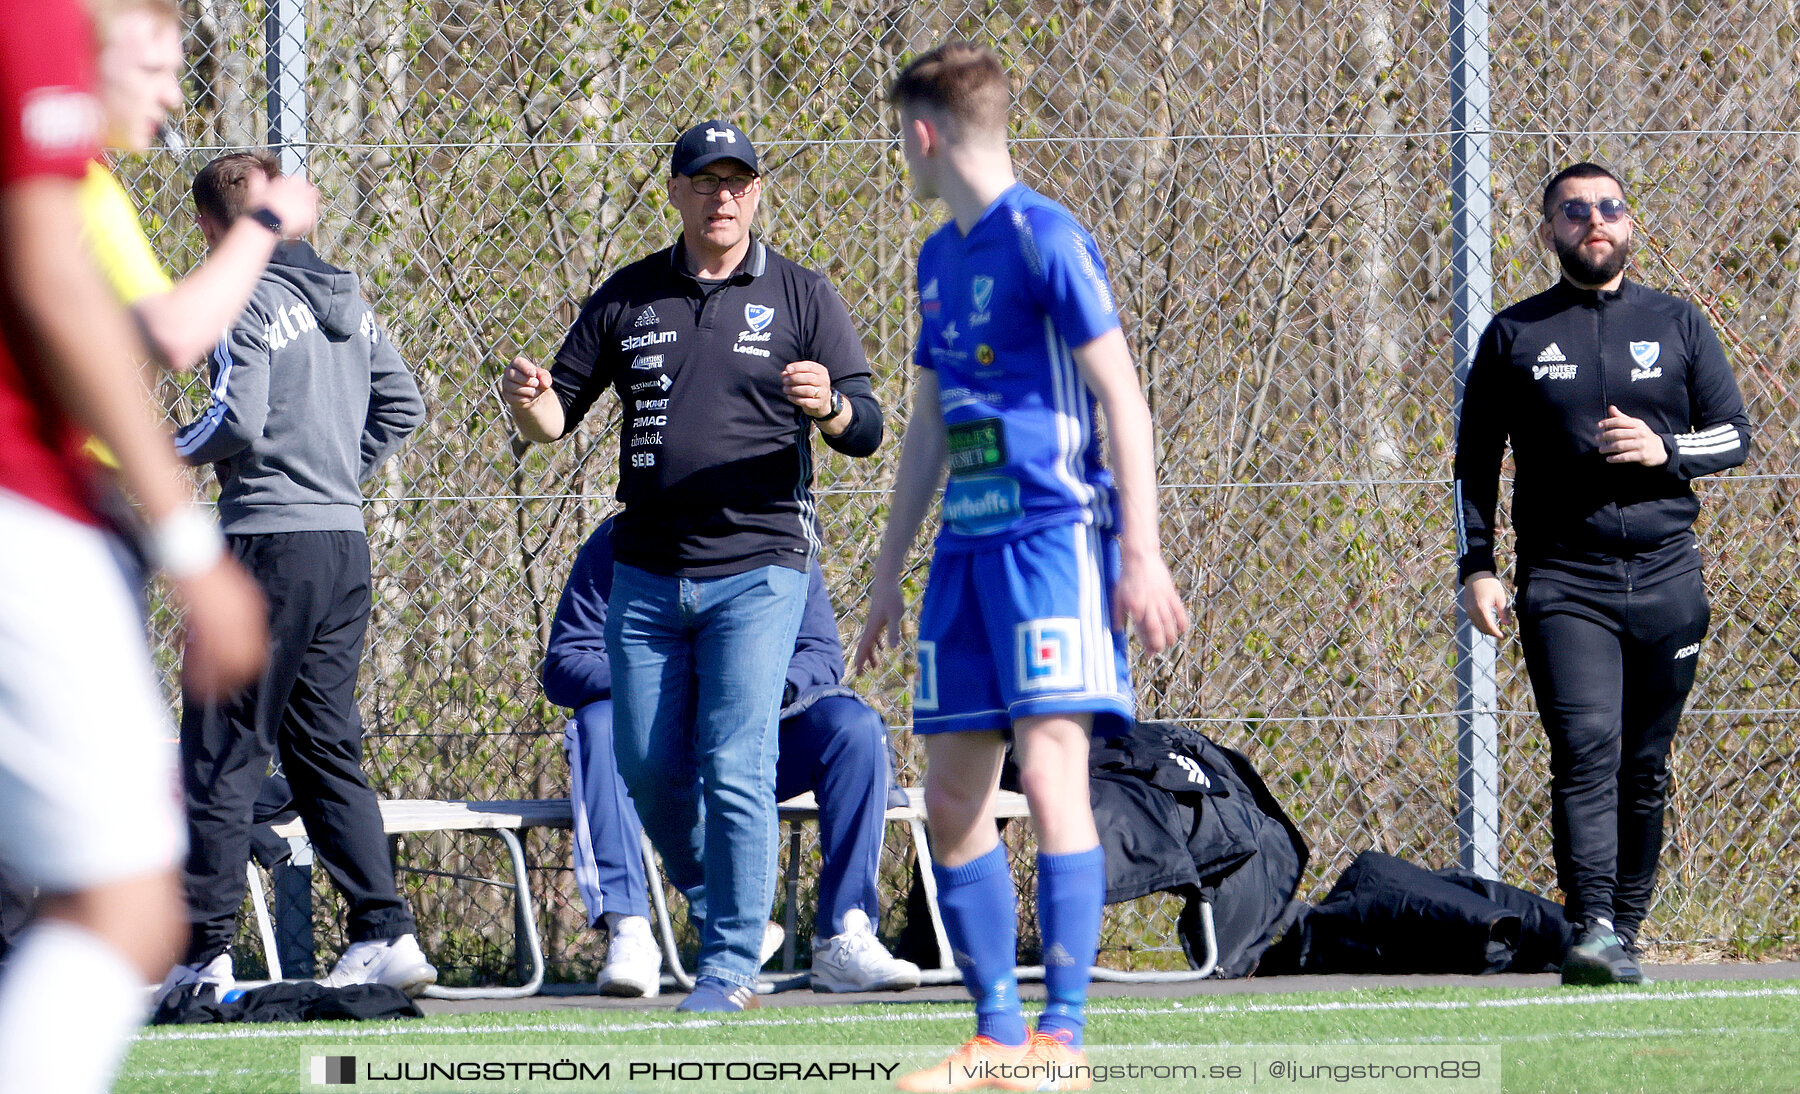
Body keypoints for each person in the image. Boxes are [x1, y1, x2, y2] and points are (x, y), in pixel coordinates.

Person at [857, 41, 1189, 1092]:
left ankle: (1065, 1040)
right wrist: (883, 575)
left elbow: (1123, 400)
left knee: (1049, 775)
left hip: (1054, 541)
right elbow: (925, 431)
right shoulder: (935, 257)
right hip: (965, 550)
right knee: (949, 798)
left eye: (898, 140)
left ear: (923, 133)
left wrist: (1139, 550)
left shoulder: (1048, 238)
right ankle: (996, 1036)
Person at [502, 119, 884, 1011]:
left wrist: (830, 406)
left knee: (735, 755)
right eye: (705, 182)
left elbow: (867, 428)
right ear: (674, 192)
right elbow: (555, 419)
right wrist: (527, 406)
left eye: (738, 182)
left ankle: (726, 971)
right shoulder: (629, 297)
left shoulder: (801, 295)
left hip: (760, 563)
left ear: (756, 191)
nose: (723, 197)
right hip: (644, 568)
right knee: (643, 763)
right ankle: (734, 912)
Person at [0, 0, 268, 1088]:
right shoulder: (35, 20)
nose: (173, 92)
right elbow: (88, 303)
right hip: (26, 500)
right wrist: (189, 544)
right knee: (127, 902)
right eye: (155, 57)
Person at [1454, 161, 1750, 987]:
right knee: (1587, 748)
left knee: (1645, 762)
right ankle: (1592, 926)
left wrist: (1667, 451)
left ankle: (1628, 926)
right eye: (1574, 210)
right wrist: (1477, 567)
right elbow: (1474, 464)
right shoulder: (1516, 334)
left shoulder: (1679, 323)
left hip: (1667, 577)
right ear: (1549, 228)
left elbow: (1736, 434)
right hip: (1563, 580)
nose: (1595, 220)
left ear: (1629, 224)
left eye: (1609, 207)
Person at [159, 151, 433, 1002]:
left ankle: (202, 954)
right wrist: (333, 473)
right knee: (322, 746)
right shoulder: (350, 301)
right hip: (341, 545)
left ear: (211, 228)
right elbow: (406, 403)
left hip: (267, 546)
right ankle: (383, 930)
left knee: (219, 746)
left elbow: (235, 418)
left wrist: (161, 453)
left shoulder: (236, 295)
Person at [543, 516, 921, 997]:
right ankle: (630, 930)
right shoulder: (621, 541)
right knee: (596, 725)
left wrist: (753, 690)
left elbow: (821, 655)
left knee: (854, 728)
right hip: (657, 741)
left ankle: (846, 934)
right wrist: (662, 689)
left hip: (755, 733)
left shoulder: (781, 532)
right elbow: (567, 660)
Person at [81, 0, 319, 373]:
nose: (174, 97)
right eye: (150, 70)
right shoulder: (80, 192)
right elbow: (174, 335)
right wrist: (267, 221)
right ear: (77, 64)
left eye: (173, 72)